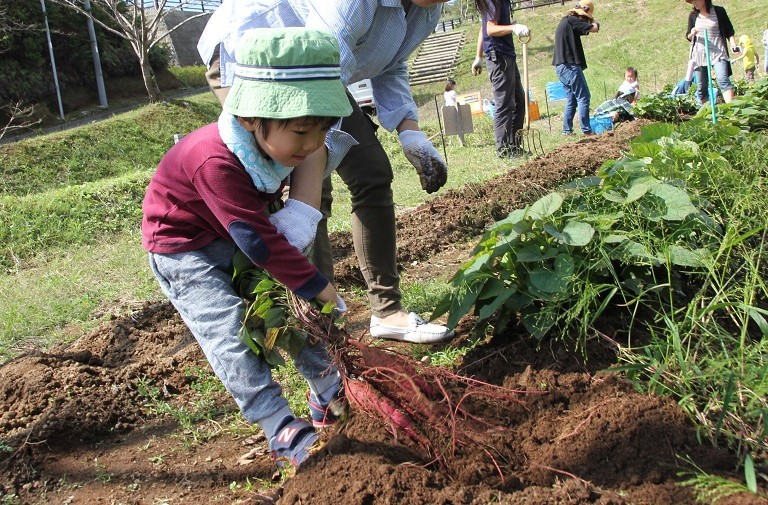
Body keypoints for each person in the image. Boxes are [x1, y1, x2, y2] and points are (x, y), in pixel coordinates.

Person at [142, 28, 354, 469]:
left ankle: (329, 388)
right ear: (249, 120)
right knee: (230, 334)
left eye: (321, 131)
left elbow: (260, 230)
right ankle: (279, 425)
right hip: (186, 251)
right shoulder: (214, 160)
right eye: (301, 132)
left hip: (236, 231)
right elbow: (258, 243)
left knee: (289, 314)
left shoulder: (282, 146)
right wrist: (319, 284)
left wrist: (306, 291)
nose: (313, 145)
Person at [197, 0, 454, 344]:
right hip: (252, 55)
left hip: (319, 65)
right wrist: (304, 206)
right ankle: (321, 326)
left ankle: (388, 311)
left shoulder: (427, 8)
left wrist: (411, 132)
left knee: (371, 172)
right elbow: (317, 98)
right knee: (309, 186)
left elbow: (390, 65)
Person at [470, 0, 530, 158]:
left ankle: (514, 146)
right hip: (499, 57)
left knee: (519, 99)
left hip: (506, 55)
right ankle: (503, 149)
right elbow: (490, 29)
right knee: (505, 103)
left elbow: (482, 29)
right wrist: (513, 27)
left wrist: (478, 56)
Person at [551, 0, 601, 136]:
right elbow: (594, 28)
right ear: (583, 14)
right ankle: (587, 130)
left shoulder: (566, 21)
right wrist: (595, 22)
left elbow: (582, 30)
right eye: (586, 18)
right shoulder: (573, 20)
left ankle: (567, 131)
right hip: (569, 66)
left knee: (572, 98)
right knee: (584, 96)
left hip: (560, 67)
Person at [684, 0, 739, 105]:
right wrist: (692, 33)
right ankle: (707, 113)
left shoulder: (719, 11)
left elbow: (729, 30)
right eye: (692, 1)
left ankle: (731, 110)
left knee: (723, 79)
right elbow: (688, 36)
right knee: (702, 87)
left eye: (695, 0)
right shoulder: (693, 15)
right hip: (699, 55)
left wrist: (733, 45)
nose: (694, 3)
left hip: (718, 52)